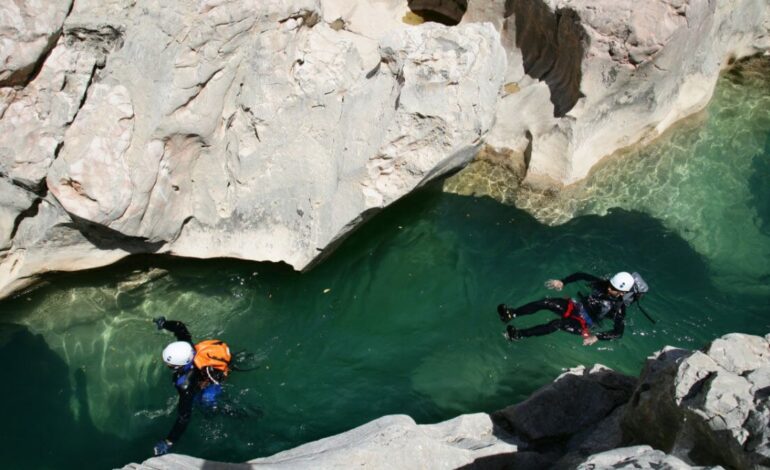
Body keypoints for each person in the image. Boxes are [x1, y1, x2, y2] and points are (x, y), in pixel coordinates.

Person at [497, 271, 649, 345]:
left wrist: (596, 337)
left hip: (583, 323)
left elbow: (618, 332)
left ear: (623, 292)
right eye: (610, 285)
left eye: (614, 289)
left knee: (556, 324)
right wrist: (563, 282)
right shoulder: (603, 284)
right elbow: (580, 275)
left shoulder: (619, 308)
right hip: (575, 306)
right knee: (546, 302)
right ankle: (512, 314)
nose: (610, 289)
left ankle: (518, 335)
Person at [152, 317, 232, 456]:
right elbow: (180, 327)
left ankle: (233, 413)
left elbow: (184, 417)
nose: (168, 366)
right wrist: (164, 323)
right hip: (213, 364)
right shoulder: (187, 347)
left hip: (215, 379)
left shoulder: (186, 384)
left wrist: (169, 441)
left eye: (170, 365)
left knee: (205, 402)